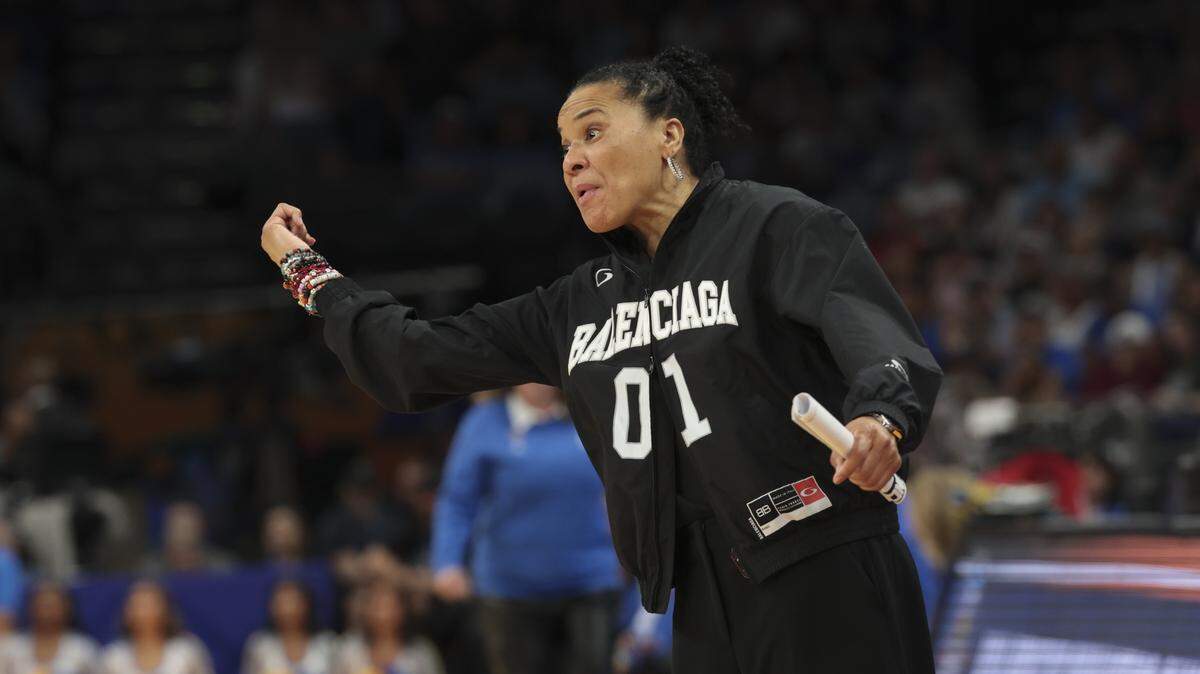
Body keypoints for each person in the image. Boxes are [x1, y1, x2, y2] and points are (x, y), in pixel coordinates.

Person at [260, 46, 942, 673]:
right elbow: (418, 359)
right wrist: (308, 275)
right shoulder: (578, 305)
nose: (571, 160)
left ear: (669, 134)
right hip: (702, 603)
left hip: (827, 569)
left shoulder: (775, 226)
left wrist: (882, 418)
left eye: (592, 132)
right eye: (564, 147)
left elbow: (874, 335)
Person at [429, 383, 623, 674]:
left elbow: (624, 485)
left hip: (589, 581)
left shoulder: (590, 414)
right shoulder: (483, 423)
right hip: (510, 588)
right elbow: (457, 499)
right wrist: (447, 561)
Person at [99, 581, 213, 674]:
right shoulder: (114, 656)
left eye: (151, 604)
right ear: (126, 613)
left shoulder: (187, 651)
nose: (144, 612)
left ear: (166, 609)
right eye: (138, 605)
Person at [330, 582, 442, 674]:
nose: (383, 615)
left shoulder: (421, 653)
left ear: (404, 611)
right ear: (365, 611)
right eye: (377, 606)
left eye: (390, 606)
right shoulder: (349, 649)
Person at [1, 582, 98, 674]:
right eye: (42, 605)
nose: (47, 612)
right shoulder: (11, 648)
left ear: (67, 609)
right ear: (31, 608)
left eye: (52, 606)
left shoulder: (82, 649)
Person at [241, 579, 336, 674]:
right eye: (281, 603)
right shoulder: (259, 645)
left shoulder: (327, 643)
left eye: (294, 602)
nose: (288, 610)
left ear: (308, 605)